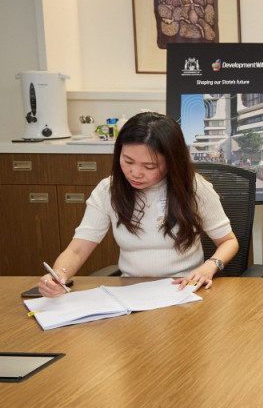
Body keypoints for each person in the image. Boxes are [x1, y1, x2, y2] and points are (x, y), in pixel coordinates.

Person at [37, 112, 239, 297]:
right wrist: (58, 276)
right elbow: (77, 250)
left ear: (172, 162)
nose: (135, 173)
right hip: (132, 292)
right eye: (128, 161)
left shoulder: (195, 188)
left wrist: (210, 266)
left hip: (184, 290)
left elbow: (229, 242)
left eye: (149, 166)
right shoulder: (108, 190)